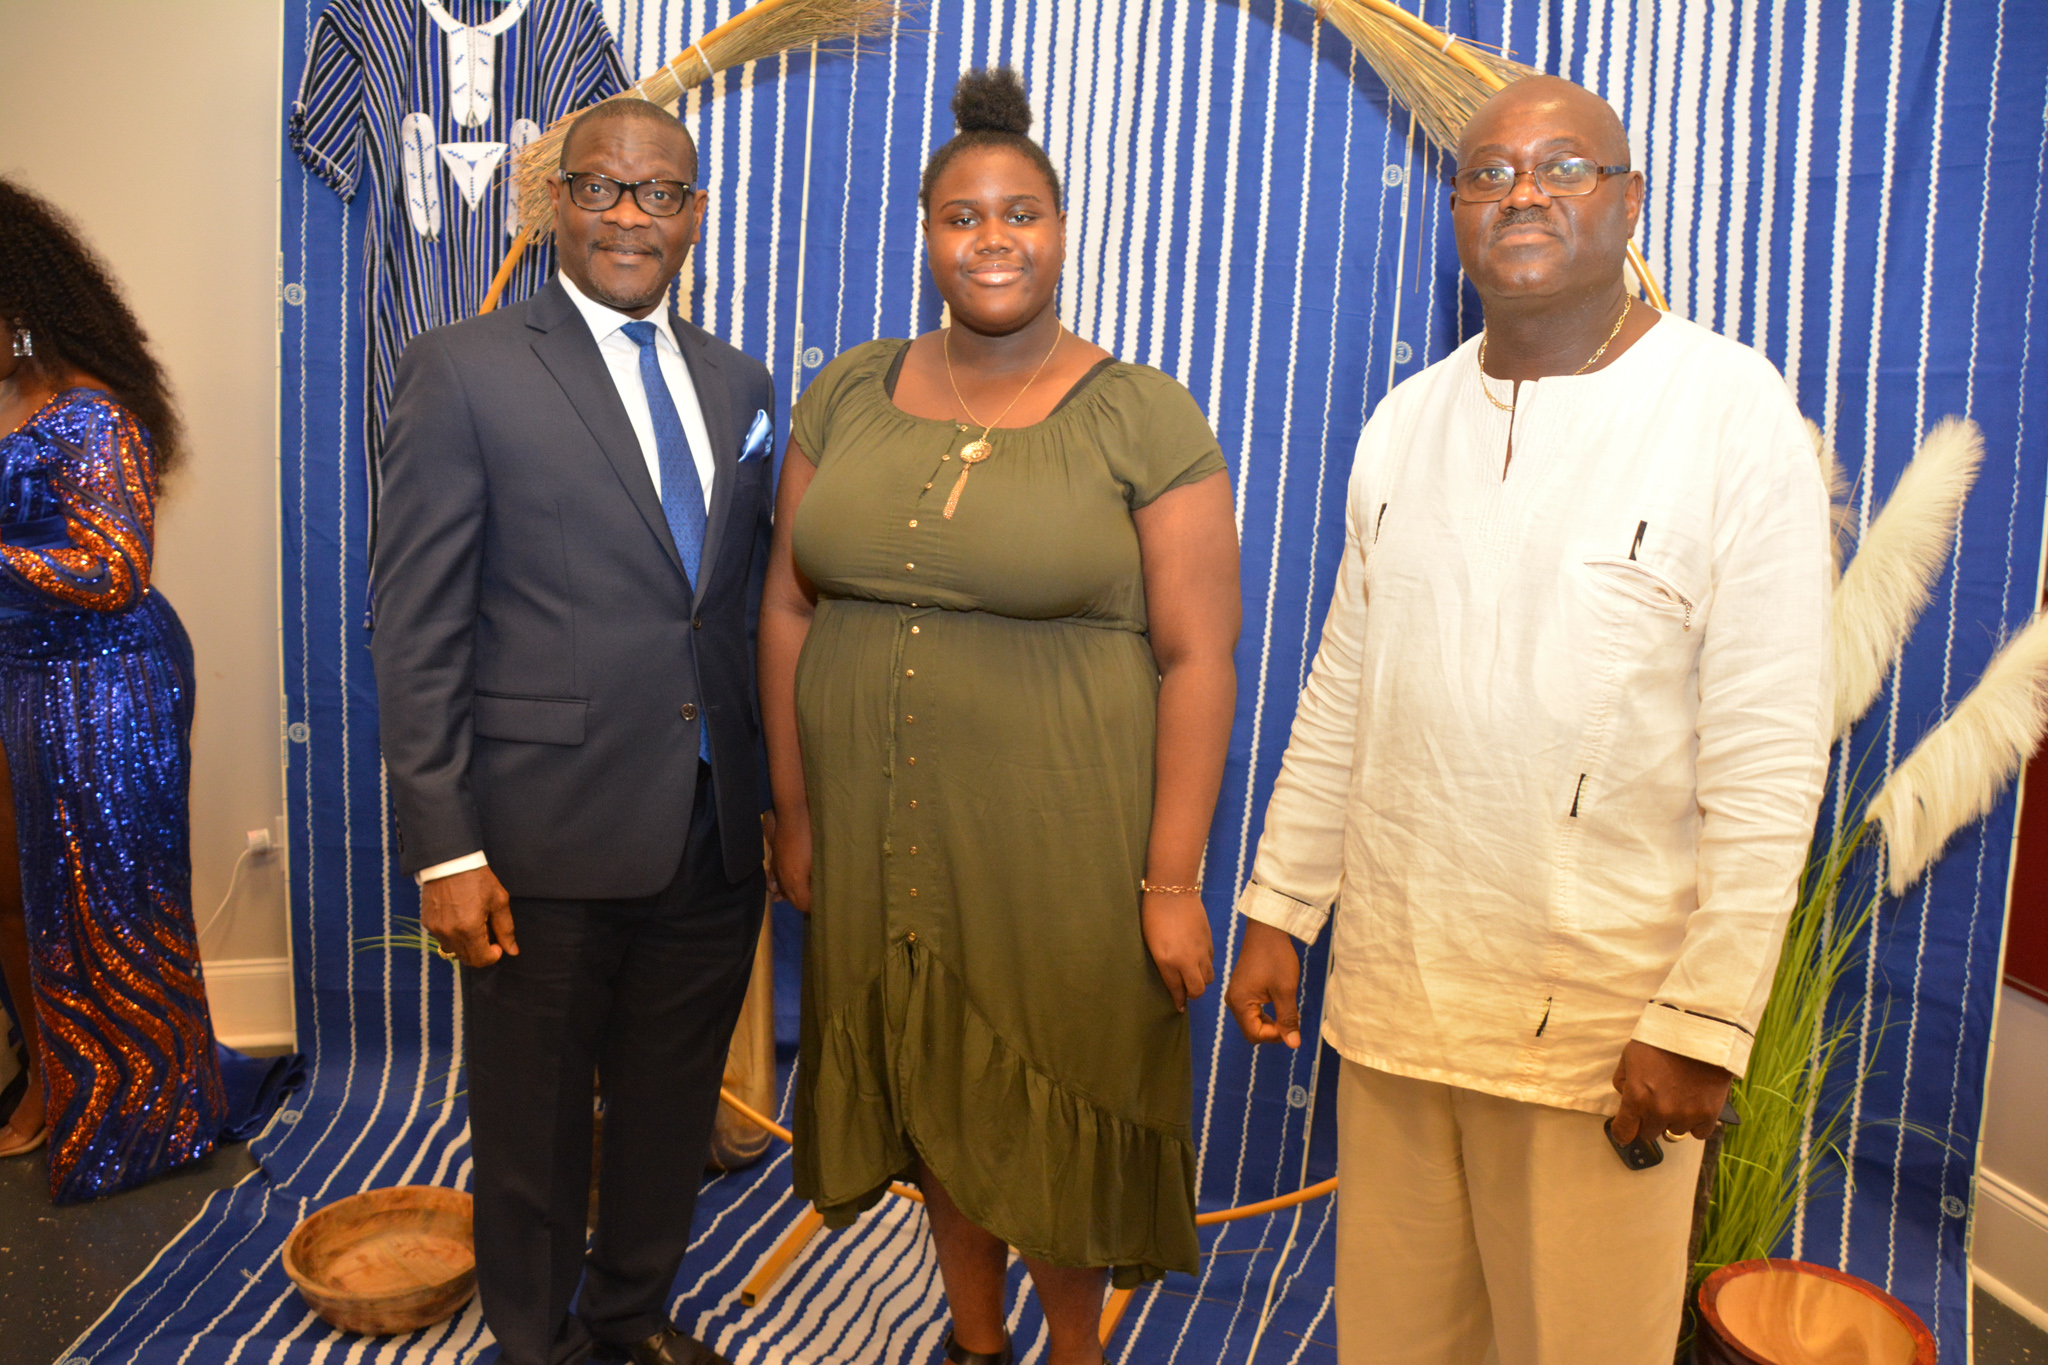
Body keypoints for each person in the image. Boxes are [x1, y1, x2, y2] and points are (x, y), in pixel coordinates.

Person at [1223, 76, 1831, 1364]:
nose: (1522, 194)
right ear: (1455, 210)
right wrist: (1280, 905)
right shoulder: (1404, 422)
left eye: (1563, 166)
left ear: (1628, 201)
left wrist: (1702, 1018)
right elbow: (1344, 688)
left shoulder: (1729, 413)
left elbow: (1770, 747)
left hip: (1602, 1032)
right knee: (1396, 1339)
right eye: (1489, 173)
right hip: (1395, 998)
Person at [761, 68, 1242, 1365]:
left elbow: (1199, 655)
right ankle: (973, 1342)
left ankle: (1074, 1350)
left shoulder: (1142, 411)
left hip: (1065, 849)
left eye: (1019, 214)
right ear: (926, 233)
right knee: (936, 1089)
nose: (992, 240)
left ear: (1061, 230)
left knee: (1051, 1097)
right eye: (962, 216)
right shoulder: (845, 394)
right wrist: (793, 811)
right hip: (878, 837)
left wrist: (1171, 882)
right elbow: (788, 607)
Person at [371, 99, 773, 1365]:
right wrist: (446, 849)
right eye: (599, 188)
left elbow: (731, 607)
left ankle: (629, 1319)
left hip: (710, 830)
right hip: (535, 840)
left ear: (694, 216)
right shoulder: (464, 368)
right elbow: (416, 627)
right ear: (556, 203)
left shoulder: (740, 383)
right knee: (534, 1130)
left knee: (666, 1112)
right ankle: (535, 1344)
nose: (628, 217)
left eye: (659, 194)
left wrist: (773, 803)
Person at [0, 177, 227, 1201]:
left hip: (105, 688)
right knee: (40, 899)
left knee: (113, 906)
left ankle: (145, 1124)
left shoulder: (90, 415)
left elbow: (115, 568)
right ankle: (66, 1091)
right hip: (23, 676)